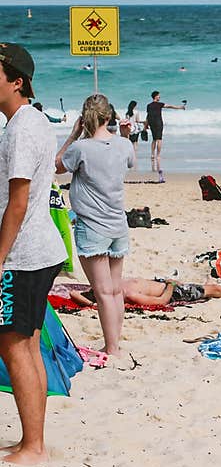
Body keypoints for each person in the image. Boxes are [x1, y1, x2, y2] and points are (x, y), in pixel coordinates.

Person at [0, 42, 69, 465]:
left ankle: (34, 447)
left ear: (16, 81)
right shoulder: (33, 121)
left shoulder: (22, 128)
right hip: (40, 249)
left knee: (12, 344)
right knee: (24, 343)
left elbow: (19, 201)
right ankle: (33, 440)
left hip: (23, 254)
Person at [54, 93, 134, 357]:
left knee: (103, 292)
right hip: (118, 224)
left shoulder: (81, 148)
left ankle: (111, 347)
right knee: (114, 289)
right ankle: (114, 343)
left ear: (83, 118)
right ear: (109, 116)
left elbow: (58, 166)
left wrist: (72, 135)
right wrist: (124, 135)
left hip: (92, 226)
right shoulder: (123, 145)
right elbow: (129, 161)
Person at [69, 276, 221, 308]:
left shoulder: (112, 283)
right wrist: (171, 284)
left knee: (212, 287)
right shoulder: (128, 295)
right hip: (174, 292)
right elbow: (161, 301)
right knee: (216, 290)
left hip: (167, 283)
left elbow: (73, 293)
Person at [145, 90, 185, 180]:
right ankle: (158, 155)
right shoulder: (159, 104)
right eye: (159, 96)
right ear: (155, 96)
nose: (159, 97)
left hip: (151, 122)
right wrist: (179, 107)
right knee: (159, 139)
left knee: (154, 139)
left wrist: (146, 125)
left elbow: (148, 115)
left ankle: (152, 154)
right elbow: (170, 106)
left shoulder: (149, 105)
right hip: (158, 122)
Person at [123, 100, 142, 167]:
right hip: (135, 128)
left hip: (129, 128)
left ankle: (130, 155)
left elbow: (127, 122)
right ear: (134, 106)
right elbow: (137, 120)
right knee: (135, 142)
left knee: (130, 142)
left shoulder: (127, 113)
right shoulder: (136, 112)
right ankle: (134, 156)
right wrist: (143, 122)